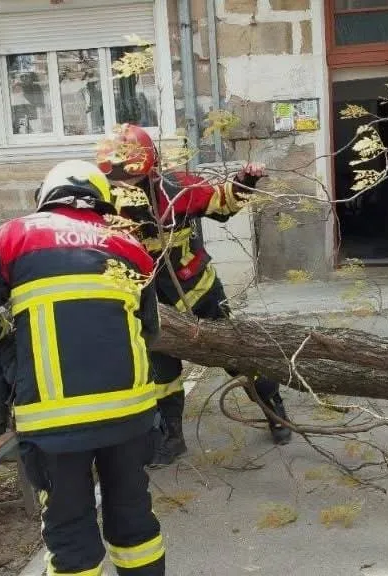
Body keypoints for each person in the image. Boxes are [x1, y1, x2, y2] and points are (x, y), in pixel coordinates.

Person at [0, 160, 165, 576]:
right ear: (103, 201)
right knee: (135, 520)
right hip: (130, 415)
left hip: (54, 421)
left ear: (45, 196)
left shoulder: (13, 236)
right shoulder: (130, 247)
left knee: (69, 532)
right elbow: (149, 330)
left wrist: (6, 349)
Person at [96, 124, 293, 468]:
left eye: (126, 177)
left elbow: (223, 203)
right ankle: (171, 438)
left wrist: (246, 180)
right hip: (150, 305)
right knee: (161, 373)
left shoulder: (177, 189)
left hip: (199, 294)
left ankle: (272, 407)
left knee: (236, 357)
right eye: (114, 177)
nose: (120, 185)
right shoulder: (104, 203)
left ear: (146, 169)